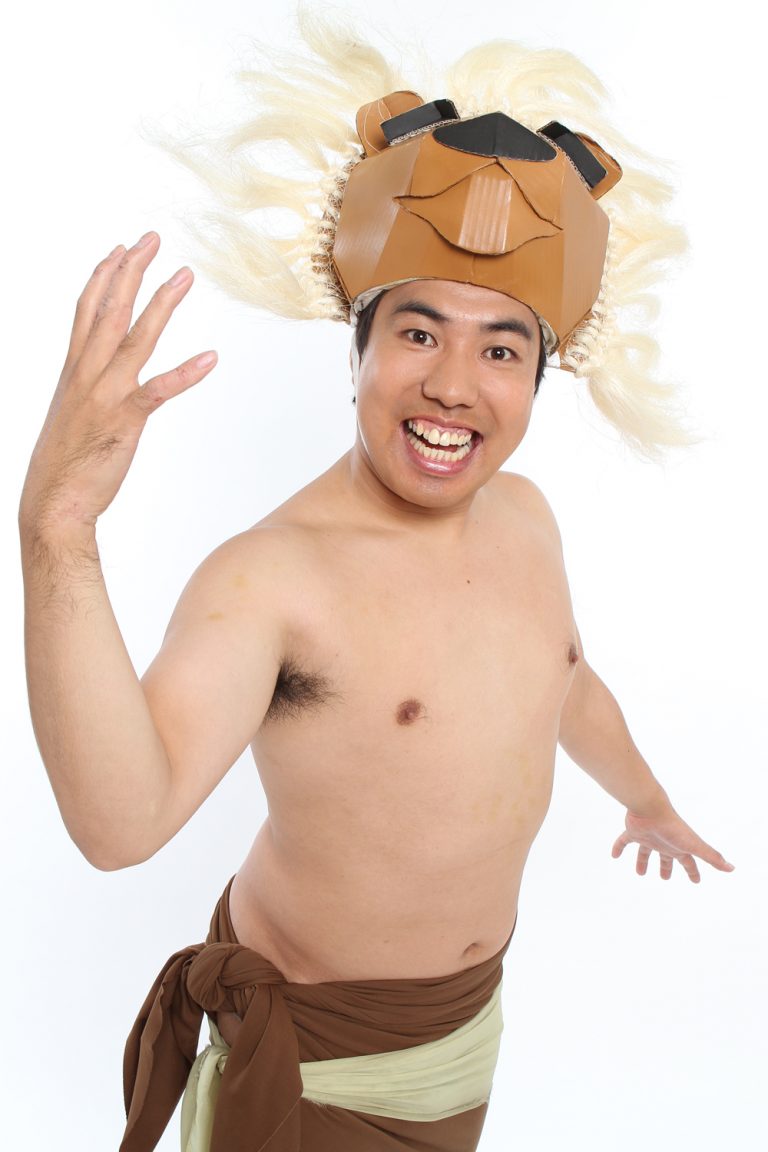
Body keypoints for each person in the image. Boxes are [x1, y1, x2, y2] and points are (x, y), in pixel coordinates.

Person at [19, 19, 733, 1152]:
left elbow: (563, 682)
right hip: (316, 1062)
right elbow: (120, 827)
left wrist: (645, 797)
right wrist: (60, 532)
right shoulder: (272, 578)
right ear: (356, 347)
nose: (453, 386)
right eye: (418, 333)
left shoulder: (528, 516)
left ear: (537, 379)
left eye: (500, 349)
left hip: (463, 1033)